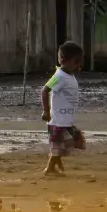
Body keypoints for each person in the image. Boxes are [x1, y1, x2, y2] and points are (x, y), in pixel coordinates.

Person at [41, 41, 86, 176]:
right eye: (76, 62)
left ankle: (55, 163)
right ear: (63, 60)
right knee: (58, 146)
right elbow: (44, 90)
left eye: (80, 62)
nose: (79, 65)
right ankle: (50, 168)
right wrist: (46, 111)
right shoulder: (59, 76)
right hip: (58, 121)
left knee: (67, 144)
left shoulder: (69, 76)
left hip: (66, 120)